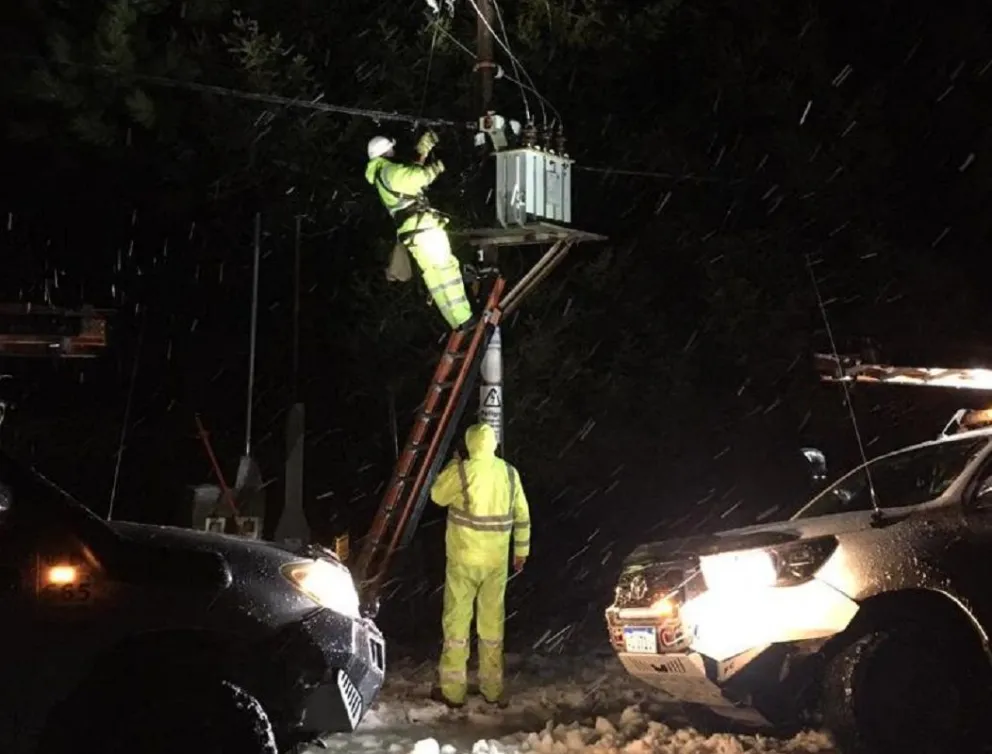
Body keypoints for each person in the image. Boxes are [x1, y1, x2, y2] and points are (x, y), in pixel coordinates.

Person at [429, 422, 531, 707]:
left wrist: (452, 464)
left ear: (469, 443)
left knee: (456, 625)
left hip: (463, 561)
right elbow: (522, 515)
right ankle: (492, 689)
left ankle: (453, 692)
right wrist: (521, 552)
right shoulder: (509, 473)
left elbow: (437, 495)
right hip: (495, 562)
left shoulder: (462, 471)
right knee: (492, 625)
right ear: (494, 444)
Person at [365, 132, 476, 332]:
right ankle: (464, 317)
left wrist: (422, 151)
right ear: (386, 151)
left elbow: (408, 173)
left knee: (434, 276)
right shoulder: (389, 170)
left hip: (412, 232)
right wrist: (436, 168)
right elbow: (416, 177)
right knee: (447, 269)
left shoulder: (382, 173)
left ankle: (457, 321)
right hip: (423, 229)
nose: (394, 150)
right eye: (391, 148)